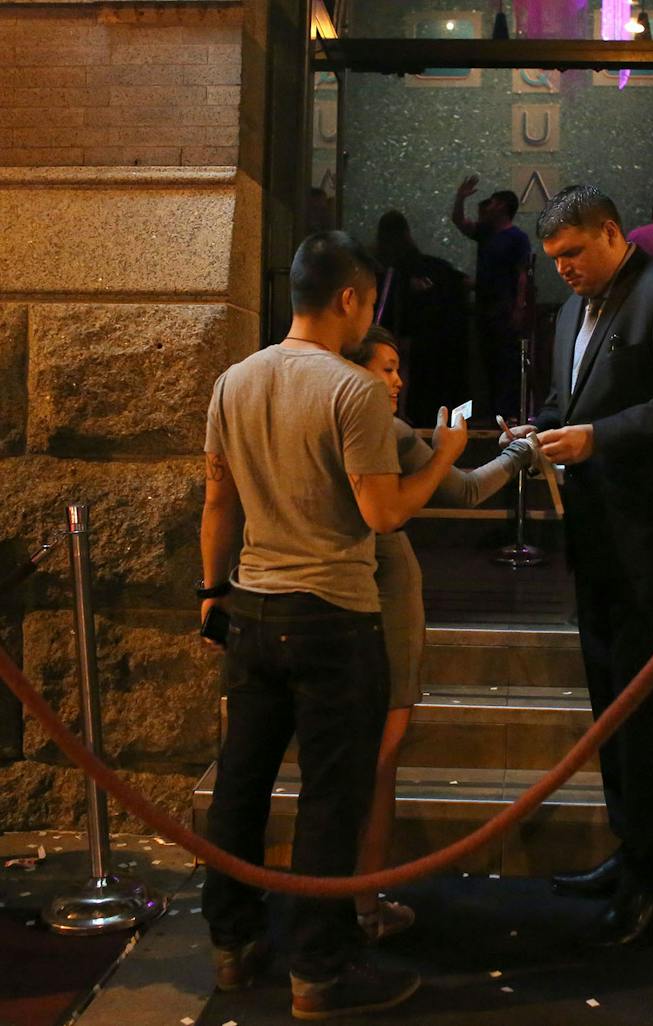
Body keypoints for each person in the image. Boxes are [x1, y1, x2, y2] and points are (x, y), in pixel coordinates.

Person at [199, 231, 469, 1020]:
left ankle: (233, 944)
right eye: (367, 305)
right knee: (329, 798)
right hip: (332, 616)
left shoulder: (234, 380)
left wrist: (209, 590)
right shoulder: (351, 390)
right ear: (350, 299)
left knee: (240, 787)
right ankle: (319, 973)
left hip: (249, 605)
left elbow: (219, 502)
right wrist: (445, 452)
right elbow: (383, 513)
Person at [504, 184, 653, 946]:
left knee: (651, 719)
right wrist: (538, 429)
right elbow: (577, 402)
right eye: (553, 259)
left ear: (610, 232)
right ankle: (629, 853)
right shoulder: (571, 309)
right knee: (610, 711)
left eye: (572, 254)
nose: (561, 270)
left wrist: (596, 438)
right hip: (598, 540)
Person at [345, 325, 536, 939]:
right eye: (386, 368)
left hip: (320, 596)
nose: (397, 381)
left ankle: (337, 900)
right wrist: (519, 455)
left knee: (349, 759)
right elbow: (467, 489)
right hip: (379, 588)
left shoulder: (324, 417)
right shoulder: (385, 430)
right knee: (381, 758)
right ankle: (363, 904)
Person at [374, 209, 470, 428]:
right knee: (403, 368)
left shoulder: (385, 265)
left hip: (396, 327)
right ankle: (402, 412)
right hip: (419, 331)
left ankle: (397, 412)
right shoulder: (423, 265)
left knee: (394, 368)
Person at [452, 175, 532, 422]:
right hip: (484, 304)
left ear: (504, 207)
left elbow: (522, 274)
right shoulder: (486, 233)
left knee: (504, 359)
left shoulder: (517, 237)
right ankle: (490, 411)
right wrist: (460, 197)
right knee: (486, 358)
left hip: (504, 305)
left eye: (495, 202)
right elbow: (459, 222)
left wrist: (519, 306)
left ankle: (506, 412)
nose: (489, 205)